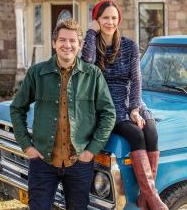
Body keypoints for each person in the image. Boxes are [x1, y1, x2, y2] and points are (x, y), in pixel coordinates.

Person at [10, 19, 116, 210]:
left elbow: (108, 114)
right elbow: (17, 108)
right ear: (54, 43)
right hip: (43, 161)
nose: (67, 45)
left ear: (80, 44)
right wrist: (27, 146)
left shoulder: (93, 75)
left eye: (72, 41)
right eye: (62, 40)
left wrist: (91, 151)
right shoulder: (37, 73)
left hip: (79, 163)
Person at [82, 0, 168, 210]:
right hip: (105, 102)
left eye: (113, 18)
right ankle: (153, 199)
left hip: (130, 98)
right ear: (97, 20)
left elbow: (137, 79)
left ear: (118, 19)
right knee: (135, 135)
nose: (110, 22)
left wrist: (135, 109)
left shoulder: (129, 45)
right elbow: (86, 63)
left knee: (151, 132)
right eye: (105, 18)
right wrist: (91, 33)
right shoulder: (93, 43)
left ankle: (145, 197)